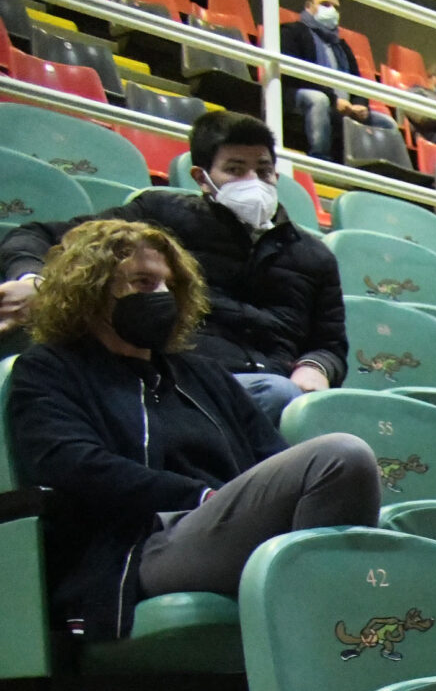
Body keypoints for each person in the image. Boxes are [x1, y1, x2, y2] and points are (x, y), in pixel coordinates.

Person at [6, 219, 380, 636]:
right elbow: (71, 464)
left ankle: (324, 641)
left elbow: (270, 457)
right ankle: (324, 643)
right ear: (91, 292)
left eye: (169, 285)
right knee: (340, 457)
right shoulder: (50, 369)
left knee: (358, 498)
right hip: (139, 545)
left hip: (224, 526)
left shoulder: (204, 375)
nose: (162, 296)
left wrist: (234, 503)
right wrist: (197, 495)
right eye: (143, 282)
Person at [0, 112, 345, 426]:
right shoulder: (161, 216)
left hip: (274, 383)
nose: (253, 181)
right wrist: (32, 279)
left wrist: (315, 368)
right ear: (201, 177)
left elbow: (330, 343)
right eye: (236, 170)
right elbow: (39, 236)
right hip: (180, 376)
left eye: (264, 171)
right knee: (278, 397)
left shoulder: (314, 255)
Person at [277, 0, 369, 163]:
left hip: (342, 103)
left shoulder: (341, 45)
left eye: (335, 7)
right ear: (308, 7)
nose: (332, 11)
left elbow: (358, 82)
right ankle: (320, 159)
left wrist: (360, 104)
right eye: (325, 4)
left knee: (386, 122)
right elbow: (296, 74)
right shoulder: (292, 32)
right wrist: (334, 99)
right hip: (297, 95)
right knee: (318, 99)